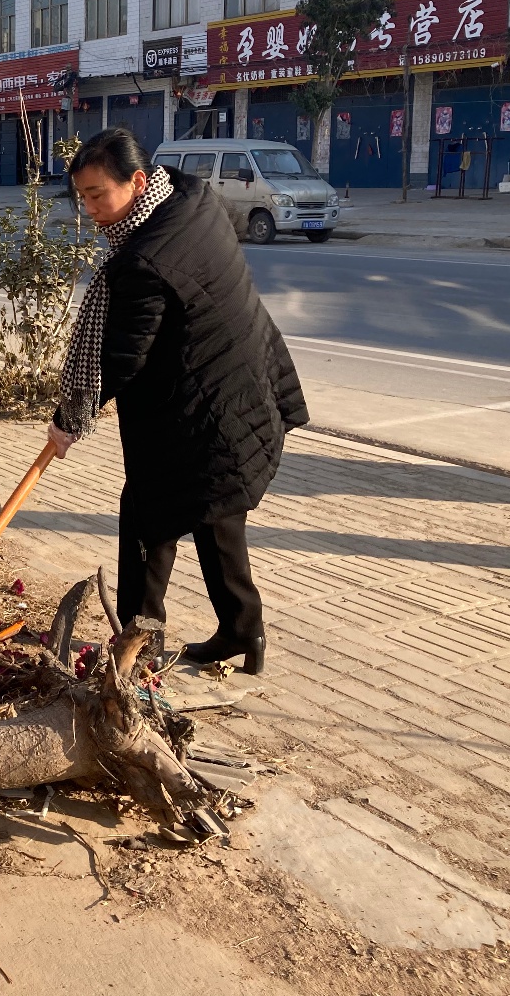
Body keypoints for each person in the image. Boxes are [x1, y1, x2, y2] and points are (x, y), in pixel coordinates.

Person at [47, 127, 307, 674]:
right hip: (237, 384)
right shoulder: (188, 197)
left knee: (148, 514)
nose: (89, 208)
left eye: (98, 195)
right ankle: (243, 631)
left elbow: (122, 356)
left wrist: (70, 417)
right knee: (215, 513)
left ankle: (141, 646)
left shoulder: (143, 259)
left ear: (136, 181)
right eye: (82, 196)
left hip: (201, 404)